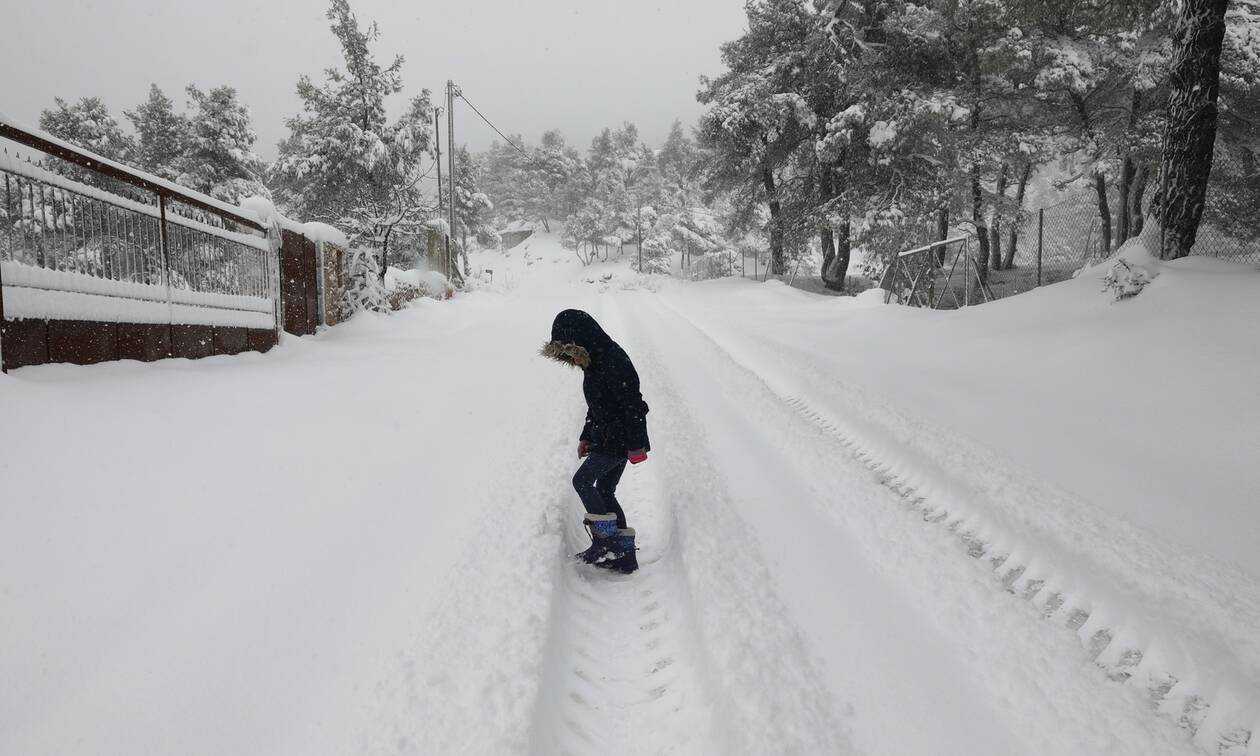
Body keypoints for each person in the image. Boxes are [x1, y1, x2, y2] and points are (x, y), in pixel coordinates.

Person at [542, 309, 650, 574]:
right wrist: (586, 436)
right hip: (606, 436)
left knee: (582, 481)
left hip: (618, 439)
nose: (571, 359)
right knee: (605, 490)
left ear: (581, 341)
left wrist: (636, 444)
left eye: (570, 351)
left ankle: (605, 543)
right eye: (565, 354)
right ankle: (624, 556)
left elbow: (633, 405)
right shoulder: (594, 362)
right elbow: (597, 406)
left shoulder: (613, 361)